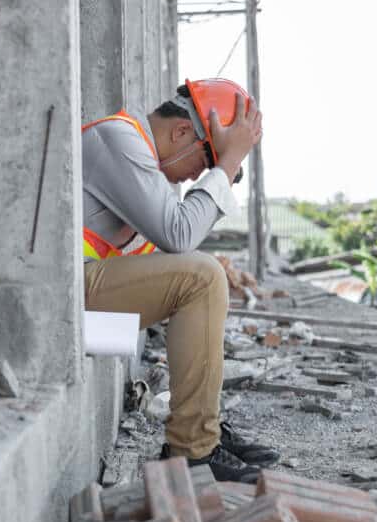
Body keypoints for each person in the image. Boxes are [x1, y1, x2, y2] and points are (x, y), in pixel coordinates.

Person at [82, 78, 278, 483]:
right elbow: (179, 234)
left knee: (204, 277)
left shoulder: (144, 163)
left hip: (81, 295)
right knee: (202, 277)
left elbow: (171, 248)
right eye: (204, 163)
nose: (195, 177)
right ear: (182, 132)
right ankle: (192, 450)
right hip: (60, 296)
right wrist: (225, 165)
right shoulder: (119, 141)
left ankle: (200, 433)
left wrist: (224, 164)